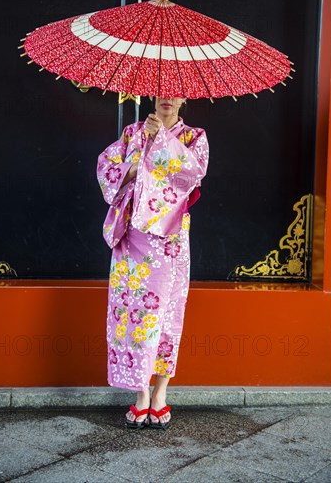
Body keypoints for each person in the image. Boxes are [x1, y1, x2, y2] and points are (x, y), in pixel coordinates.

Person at [97, 97, 209, 429]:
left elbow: (193, 173)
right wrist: (134, 163)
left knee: (167, 314)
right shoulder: (132, 132)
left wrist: (160, 139)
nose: (167, 97)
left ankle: (160, 393)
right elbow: (106, 167)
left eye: (175, 91)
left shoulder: (194, 137)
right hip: (134, 239)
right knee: (135, 312)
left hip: (170, 240)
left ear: (183, 98)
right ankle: (141, 394)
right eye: (161, 90)